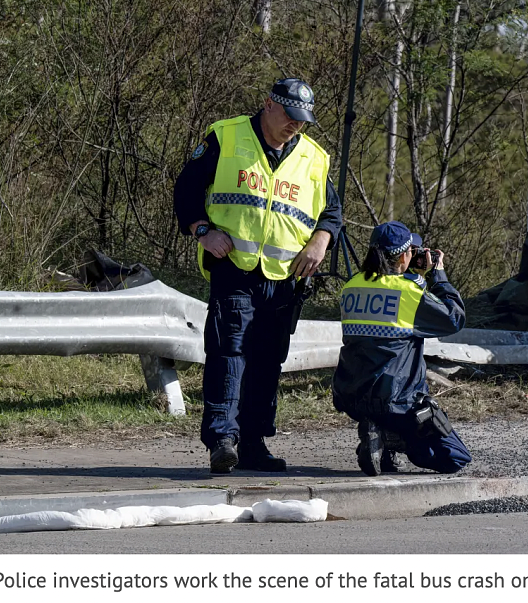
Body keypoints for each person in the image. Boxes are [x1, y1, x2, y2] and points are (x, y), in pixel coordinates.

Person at [173, 78, 342, 474]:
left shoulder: (314, 158)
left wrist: (320, 242)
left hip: (284, 279)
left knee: (267, 361)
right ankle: (222, 440)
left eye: (302, 121)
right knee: (229, 352)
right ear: (268, 104)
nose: (295, 126)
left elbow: (331, 214)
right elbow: (187, 189)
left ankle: (253, 443)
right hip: (235, 268)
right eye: (289, 116)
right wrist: (202, 231)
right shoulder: (226, 137)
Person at [332, 221, 472, 476]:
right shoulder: (408, 292)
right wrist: (437, 275)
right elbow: (454, 319)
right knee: (456, 457)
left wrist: (411, 276)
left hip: (352, 396)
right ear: (404, 256)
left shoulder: (351, 286)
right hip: (396, 400)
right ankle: (389, 437)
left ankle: (380, 439)